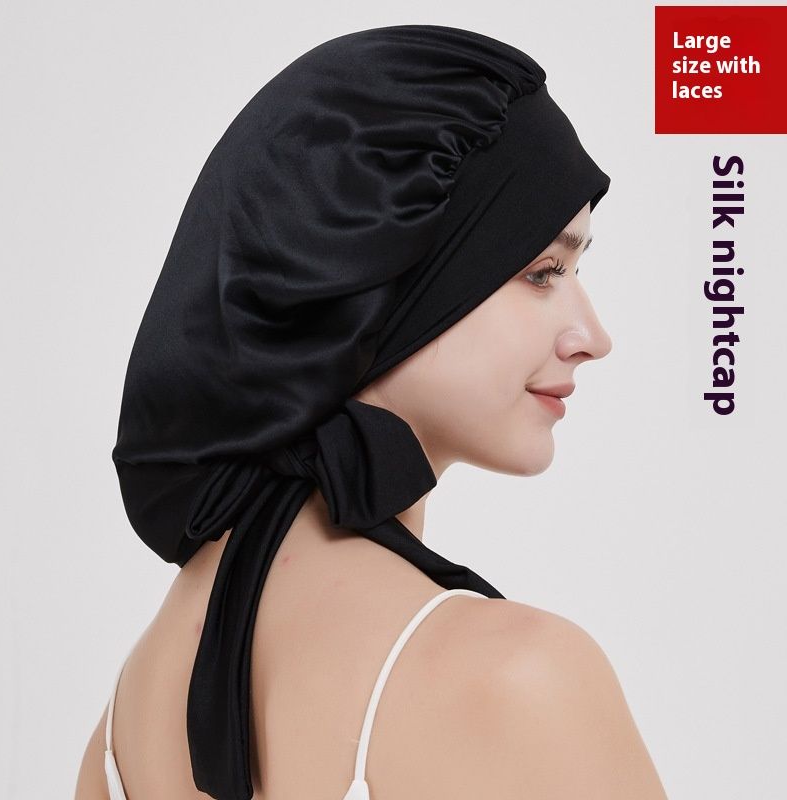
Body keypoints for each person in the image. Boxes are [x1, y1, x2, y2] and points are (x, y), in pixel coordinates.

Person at [75, 24, 669, 800]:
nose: (593, 337)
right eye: (542, 271)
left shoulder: (122, 726)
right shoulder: (520, 680)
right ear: (382, 275)